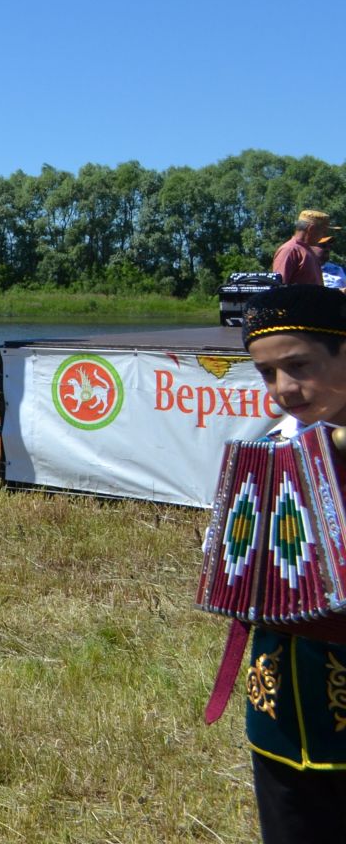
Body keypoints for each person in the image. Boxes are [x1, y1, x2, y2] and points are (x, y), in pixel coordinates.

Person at [234, 284, 346, 841]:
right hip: (279, 696)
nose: (285, 390)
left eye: (299, 365)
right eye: (266, 374)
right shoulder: (273, 447)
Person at [273, 211, 333, 287]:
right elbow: (278, 289)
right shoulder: (290, 250)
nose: (324, 235)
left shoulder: (309, 251)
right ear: (311, 229)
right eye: (323, 231)